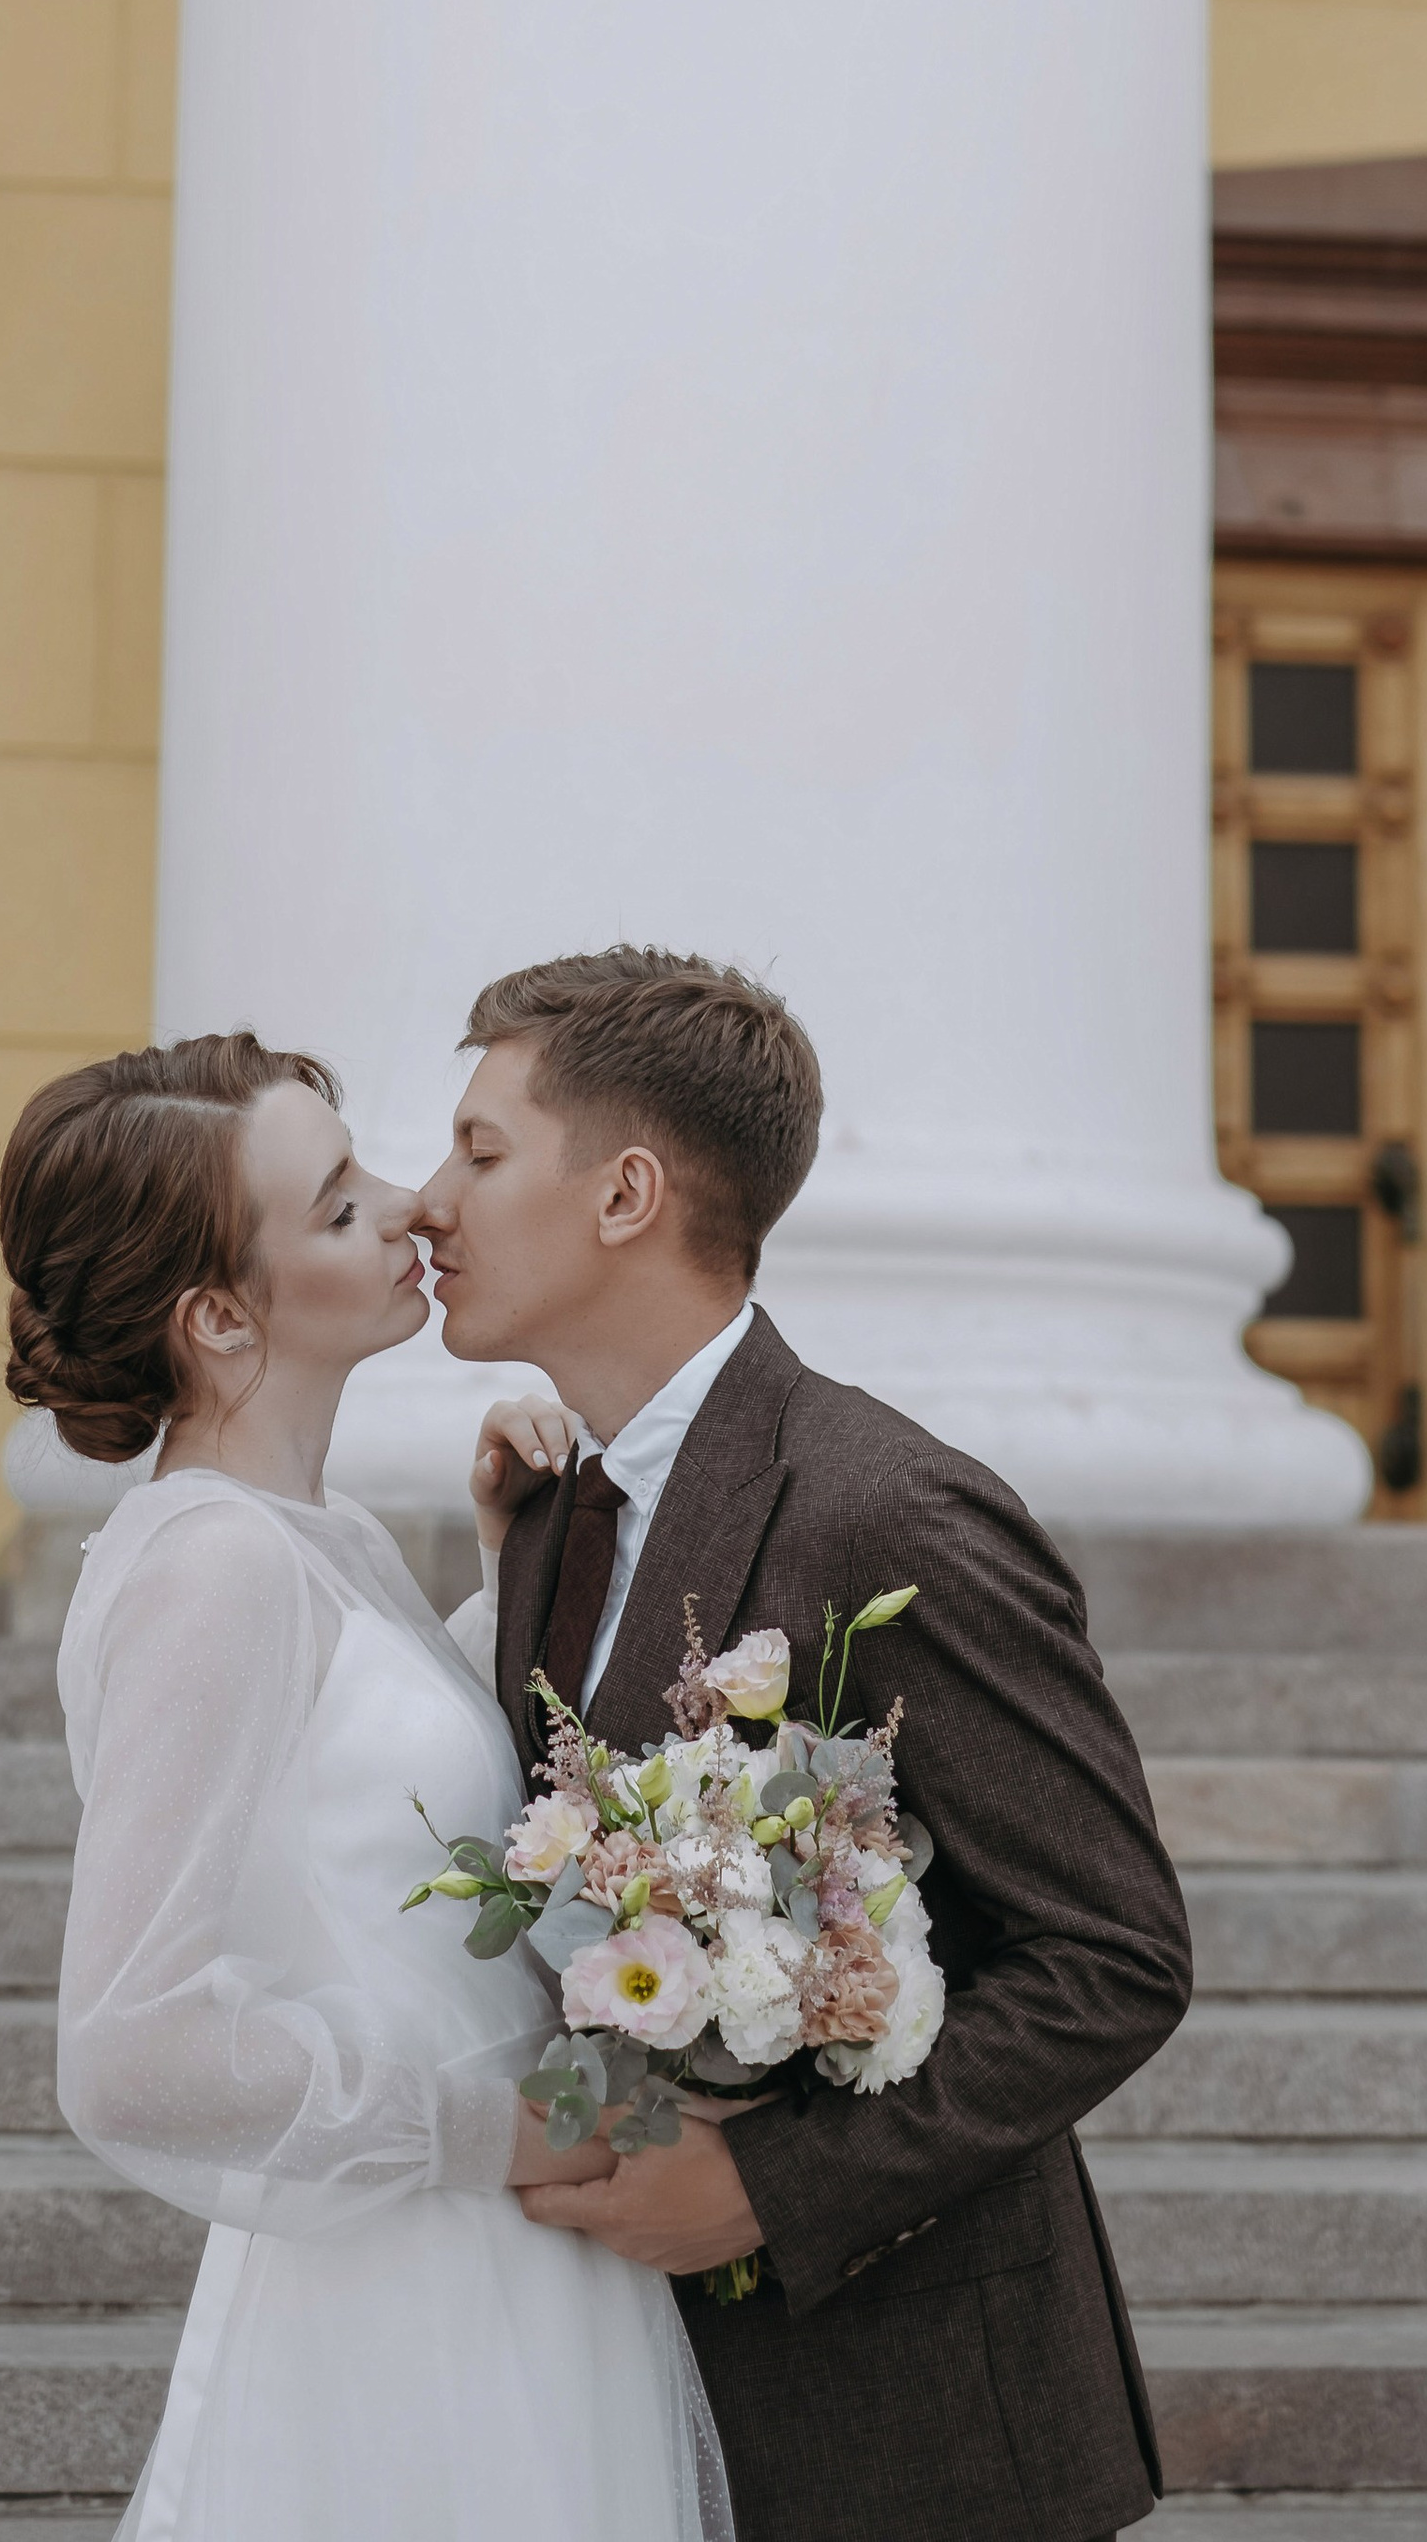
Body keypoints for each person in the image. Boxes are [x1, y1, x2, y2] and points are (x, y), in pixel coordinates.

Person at [409, 947, 1192, 2542]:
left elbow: (1113, 1954)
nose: (430, 1202)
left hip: (913, 2438)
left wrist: (777, 2189)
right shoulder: (556, 1516)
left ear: (625, 1195)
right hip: (626, 2409)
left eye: (480, 1152)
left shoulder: (890, 1509)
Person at [2, 1033, 729, 2542]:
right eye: (339, 1206)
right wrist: (504, 2138)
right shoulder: (212, 1569)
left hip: (492, 2261)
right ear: (215, 1315)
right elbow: (129, 2054)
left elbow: (372, 1824)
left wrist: (503, 1573)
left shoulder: (313, 1539)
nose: (409, 1204)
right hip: (408, 2289)